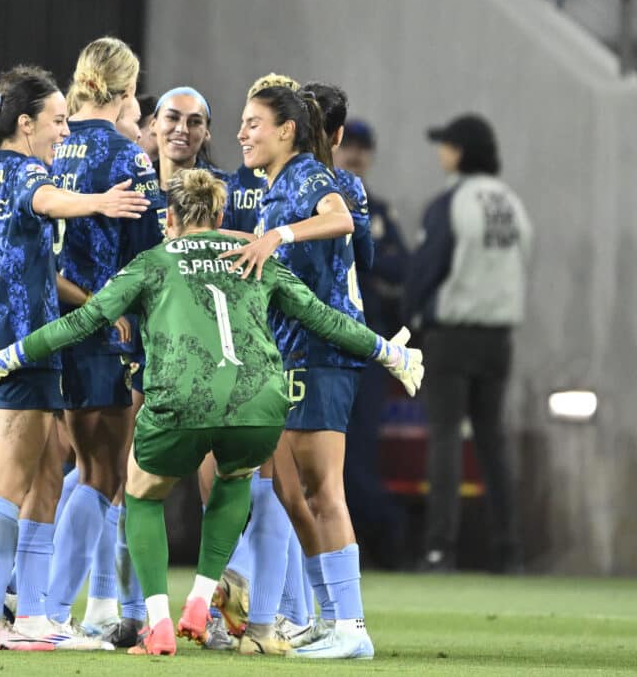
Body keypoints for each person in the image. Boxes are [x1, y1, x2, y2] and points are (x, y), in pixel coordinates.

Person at [0, 168, 423, 657]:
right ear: (219, 215)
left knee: (142, 494)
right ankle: (199, 596)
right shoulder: (253, 256)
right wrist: (390, 352)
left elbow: (86, 320)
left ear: (168, 217)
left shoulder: (152, 261)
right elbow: (322, 316)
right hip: (258, 402)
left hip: (181, 397)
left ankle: (158, 623)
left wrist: (6, 358)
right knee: (236, 480)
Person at [0, 64, 148, 652]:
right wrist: (98, 201)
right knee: (8, 489)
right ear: (24, 124)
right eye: (56, 121)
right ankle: (15, 621)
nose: (63, 133)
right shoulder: (27, 171)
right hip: (22, 352)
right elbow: (46, 199)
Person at [220, 85, 388, 659]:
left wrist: (279, 234)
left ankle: (352, 627)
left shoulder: (309, 175)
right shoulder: (276, 187)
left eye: (253, 123)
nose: (242, 133)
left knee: (323, 490)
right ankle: (326, 618)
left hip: (322, 350)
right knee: (294, 493)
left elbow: (338, 219)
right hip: (293, 351)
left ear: (286, 130)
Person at [44, 37, 161, 642]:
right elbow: (151, 249)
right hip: (107, 329)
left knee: (69, 469)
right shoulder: (126, 157)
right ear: (124, 89)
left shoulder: (51, 148)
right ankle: (55, 612)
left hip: (52, 322)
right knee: (103, 474)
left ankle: (55, 606)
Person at [403, 113, 531, 574]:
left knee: (445, 439)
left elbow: (425, 269)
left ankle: (440, 549)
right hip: (499, 337)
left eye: (446, 145)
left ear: (459, 151)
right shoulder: (512, 204)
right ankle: (509, 550)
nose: (441, 153)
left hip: (453, 335)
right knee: (493, 442)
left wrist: (407, 321)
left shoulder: (452, 202)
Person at [334, 118, 410, 570]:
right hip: (321, 343)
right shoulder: (311, 200)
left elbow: (402, 267)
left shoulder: (378, 210)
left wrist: (373, 263)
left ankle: (373, 540)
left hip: (365, 345)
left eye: (365, 148)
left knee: (359, 449)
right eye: (350, 146)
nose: (356, 155)